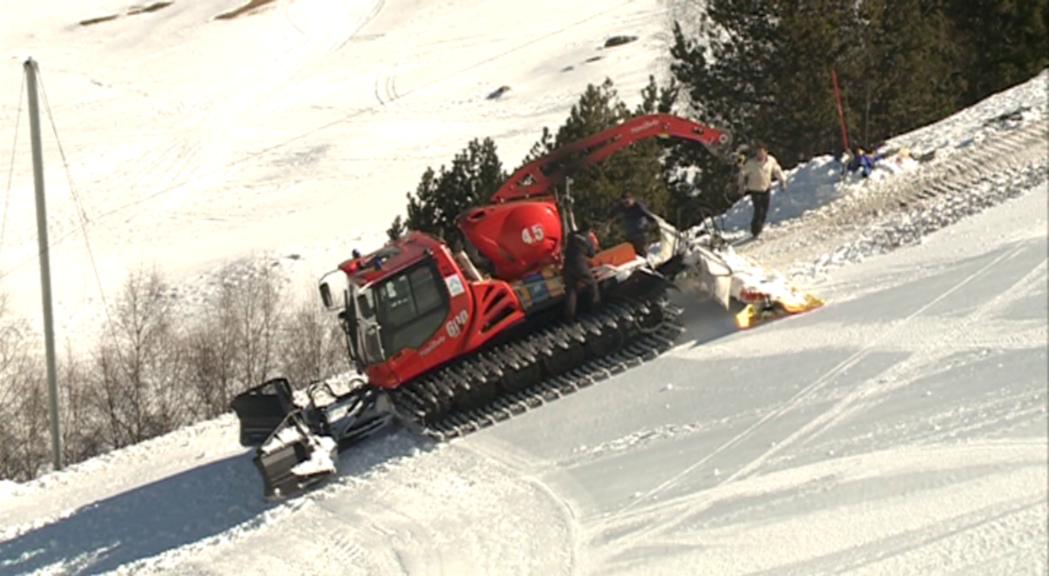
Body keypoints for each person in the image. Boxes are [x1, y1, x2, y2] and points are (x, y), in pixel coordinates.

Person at [737, 142, 787, 238]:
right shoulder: (751, 163)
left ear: (766, 152)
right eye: (758, 153)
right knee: (758, 210)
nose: (759, 155)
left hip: (766, 188)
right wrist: (741, 186)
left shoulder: (771, 160)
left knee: (764, 210)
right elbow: (742, 174)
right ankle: (755, 230)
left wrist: (782, 180)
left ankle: (760, 227)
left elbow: (777, 170)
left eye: (761, 152)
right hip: (755, 190)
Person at [563, 227, 599, 321]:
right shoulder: (588, 239)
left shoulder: (572, 236)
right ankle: (595, 310)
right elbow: (591, 254)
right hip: (580, 266)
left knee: (571, 290)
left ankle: (569, 317)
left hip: (567, 266)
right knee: (592, 284)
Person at [613, 192, 658, 256]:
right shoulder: (622, 207)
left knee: (641, 250)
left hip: (640, 233)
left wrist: (654, 223)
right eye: (624, 202)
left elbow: (649, 215)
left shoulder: (638, 207)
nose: (626, 204)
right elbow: (614, 212)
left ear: (632, 200)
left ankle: (646, 262)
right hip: (630, 234)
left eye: (628, 202)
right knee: (631, 251)